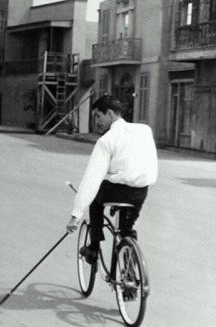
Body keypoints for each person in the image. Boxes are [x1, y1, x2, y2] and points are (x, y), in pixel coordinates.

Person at [66, 94, 158, 264]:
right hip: (140, 191)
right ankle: (131, 272)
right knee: (125, 230)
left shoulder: (106, 140)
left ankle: (93, 248)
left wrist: (76, 214)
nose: (96, 122)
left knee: (95, 200)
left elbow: (92, 178)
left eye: (97, 116)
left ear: (109, 113)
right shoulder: (144, 130)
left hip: (118, 191)